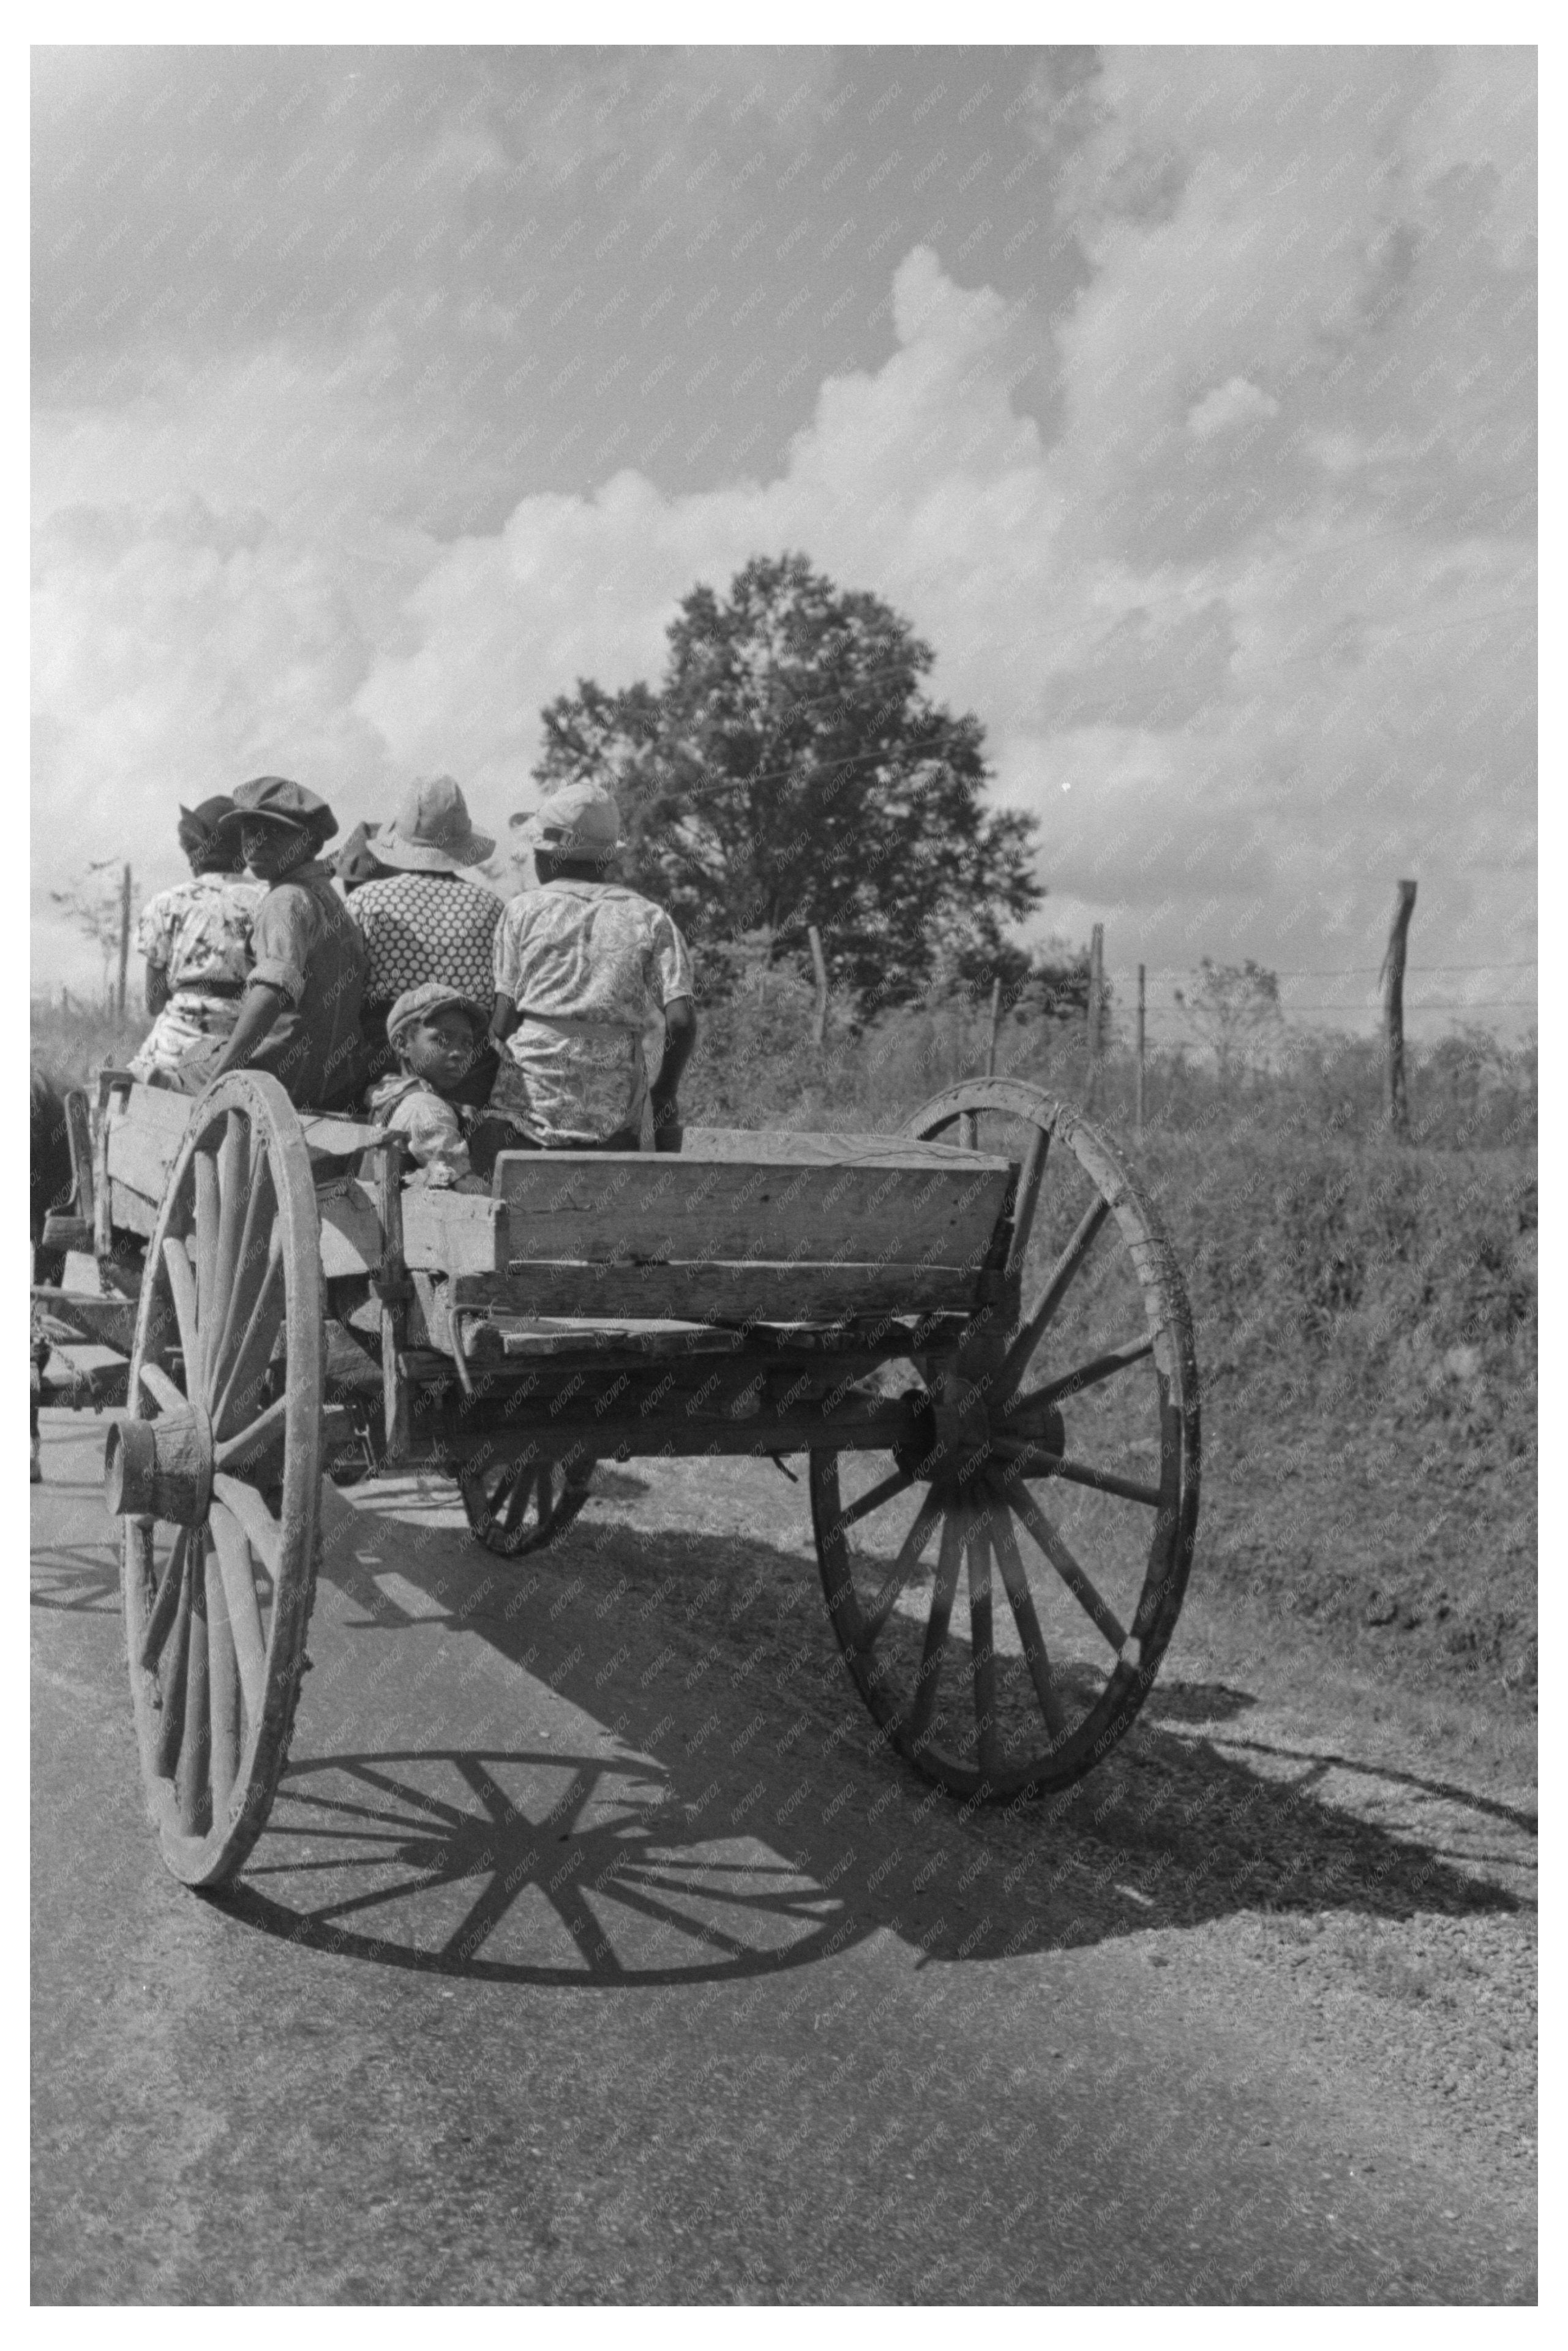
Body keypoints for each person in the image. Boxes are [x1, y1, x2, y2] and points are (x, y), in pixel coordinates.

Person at [490, 780, 696, 1153]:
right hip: (614, 1116)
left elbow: (504, 1022)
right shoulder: (649, 917)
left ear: (548, 856)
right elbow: (681, 1021)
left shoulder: (522, 910)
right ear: (606, 858)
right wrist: (664, 1093)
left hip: (529, 1107)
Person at [198, 777, 369, 1111]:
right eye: (249, 832)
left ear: (311, 845)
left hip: (282, 1076)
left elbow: (272, 991)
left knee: (191, 1060)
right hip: (333, 1079)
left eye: (274, 833)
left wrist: (222, 1075)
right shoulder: (327, 898)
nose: (256, 844)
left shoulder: (286, 900)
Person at [345, 776, 503, 1094]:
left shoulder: (367, 899)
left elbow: (347, 989)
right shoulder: (493, 907)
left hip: (387, 1063)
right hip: (465, 1070)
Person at [127, 797, 262, 1084]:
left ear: (194, 851)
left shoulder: (167, 903)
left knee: (130, 1082)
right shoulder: (270, 900)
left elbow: (154, 1003)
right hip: (251, 1048)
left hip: (176, 1048)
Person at [368, 984, 530, 1189]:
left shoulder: (391, 1091)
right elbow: (464, 1184)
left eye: (467, 1044)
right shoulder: (425, 1108)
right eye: (442, 1040)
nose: (458, 1053)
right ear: (402, 1044)